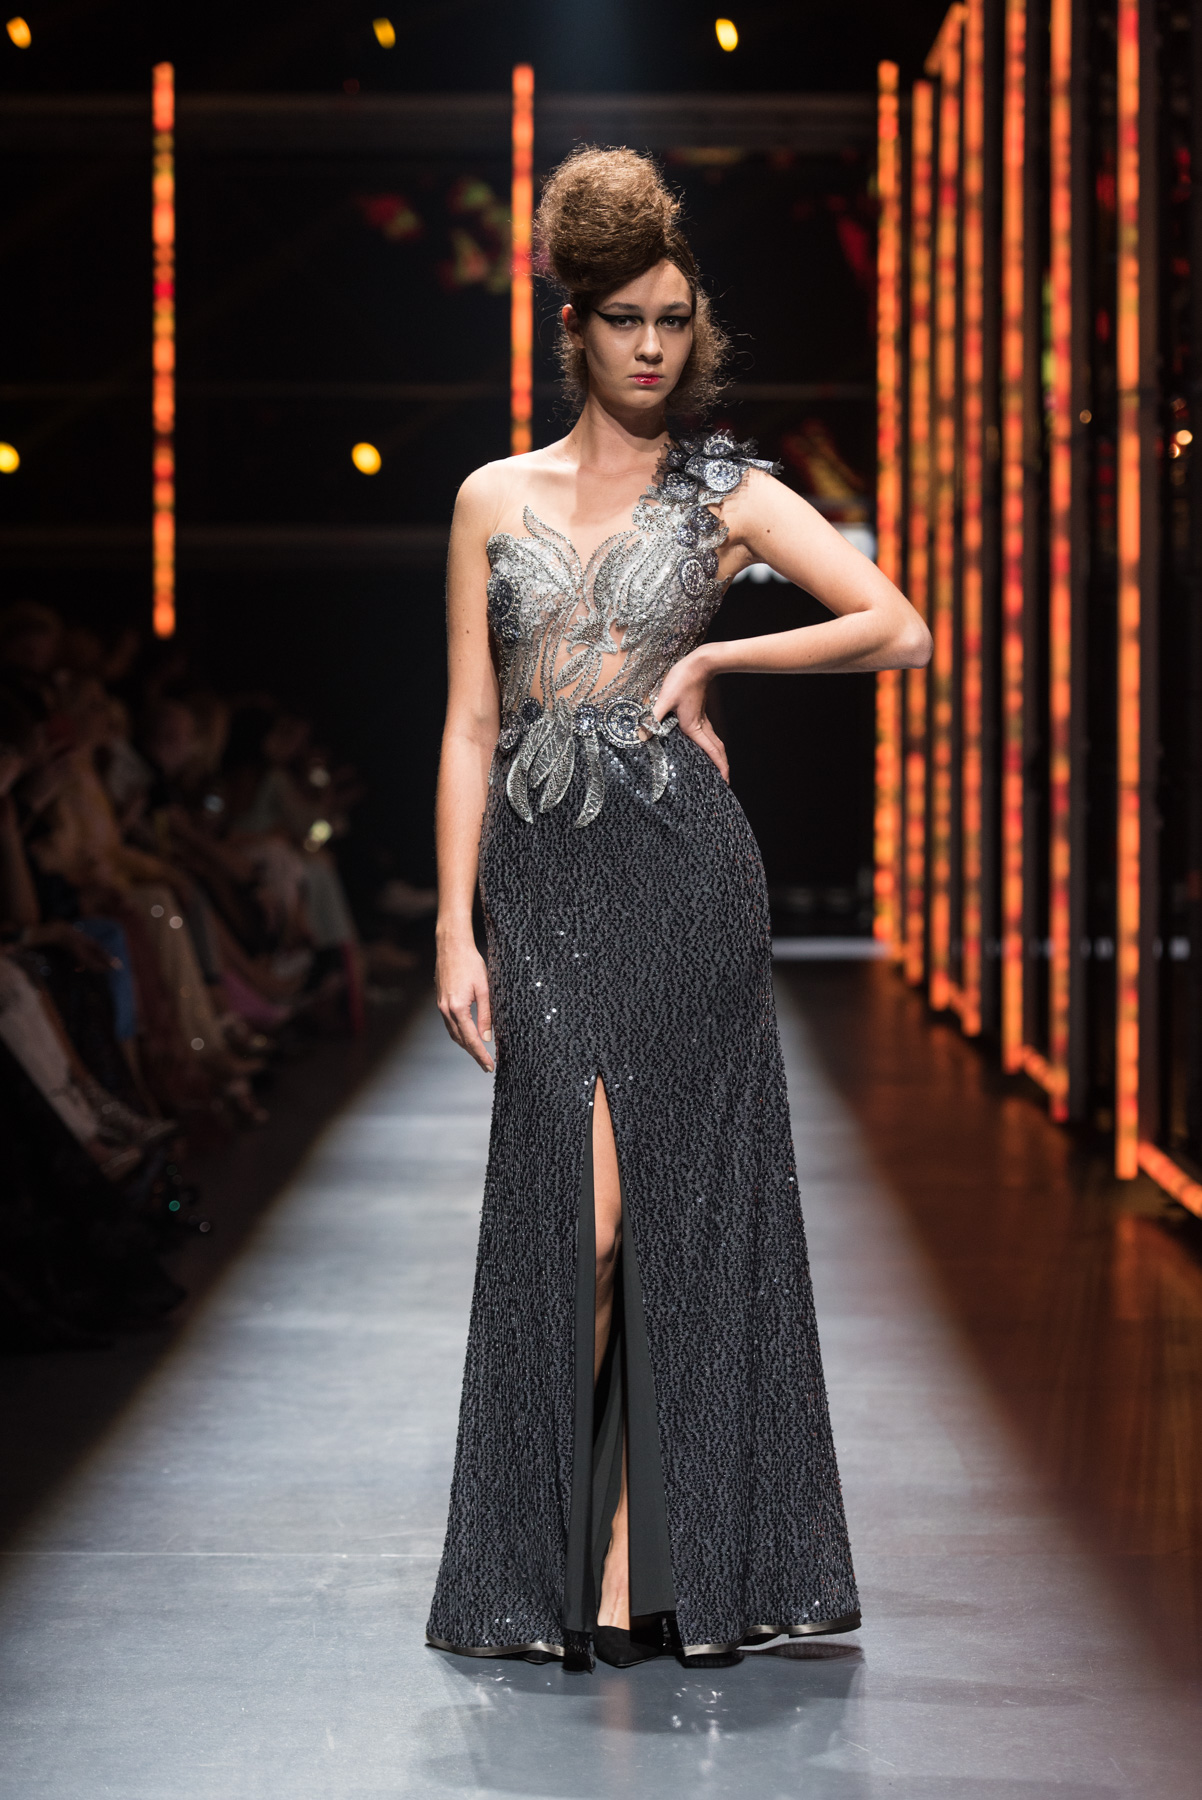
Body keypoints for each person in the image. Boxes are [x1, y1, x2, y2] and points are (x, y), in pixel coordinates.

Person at [427, 147, 930, 1673]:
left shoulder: (726, 493)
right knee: (569, 1227)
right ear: (571, 327)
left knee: (672, 1220)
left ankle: (634, 1573)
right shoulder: (490, 497)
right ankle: (561, 1556)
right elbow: (469, 725)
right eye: (623, 321)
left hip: (683, 876)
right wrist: (451, 928)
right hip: (541, 886)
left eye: (671, 320)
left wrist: (714, 659)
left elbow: (895, 627)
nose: (650, 347)